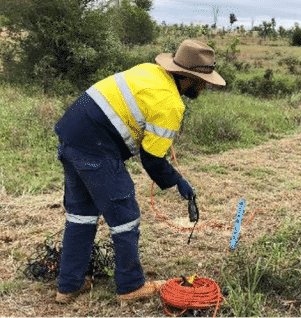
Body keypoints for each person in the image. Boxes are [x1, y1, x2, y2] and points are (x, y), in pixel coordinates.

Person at [53, 39, 225, 304]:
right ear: (188, 77)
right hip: (97, 147)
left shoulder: (149, 70)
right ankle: (131, 287)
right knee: (125, 216)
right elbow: (152, 159)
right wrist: (177, 181)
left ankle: (68, 287)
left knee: (82, 216)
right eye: (203, 81)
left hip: (71, 136)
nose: (205, 86)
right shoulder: (170, 103)